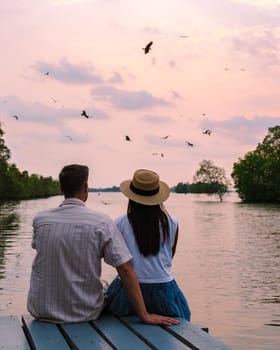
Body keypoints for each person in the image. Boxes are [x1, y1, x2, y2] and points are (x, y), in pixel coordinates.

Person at [27, 164, 179, 326]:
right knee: (104, 286)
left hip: (40, 310)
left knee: (105, 286)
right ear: (86, 186)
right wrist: (144, 315)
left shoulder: (40, 220)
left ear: (60, 188)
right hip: (84, 312)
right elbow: (127, 268)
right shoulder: (101, 222)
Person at [104, 168, 191, 320]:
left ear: (131, 196)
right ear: (158, 197)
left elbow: (118, 263)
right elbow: (169, 257)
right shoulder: (172, 223)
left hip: (128, 293)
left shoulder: (120, 223)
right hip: (164, 291)